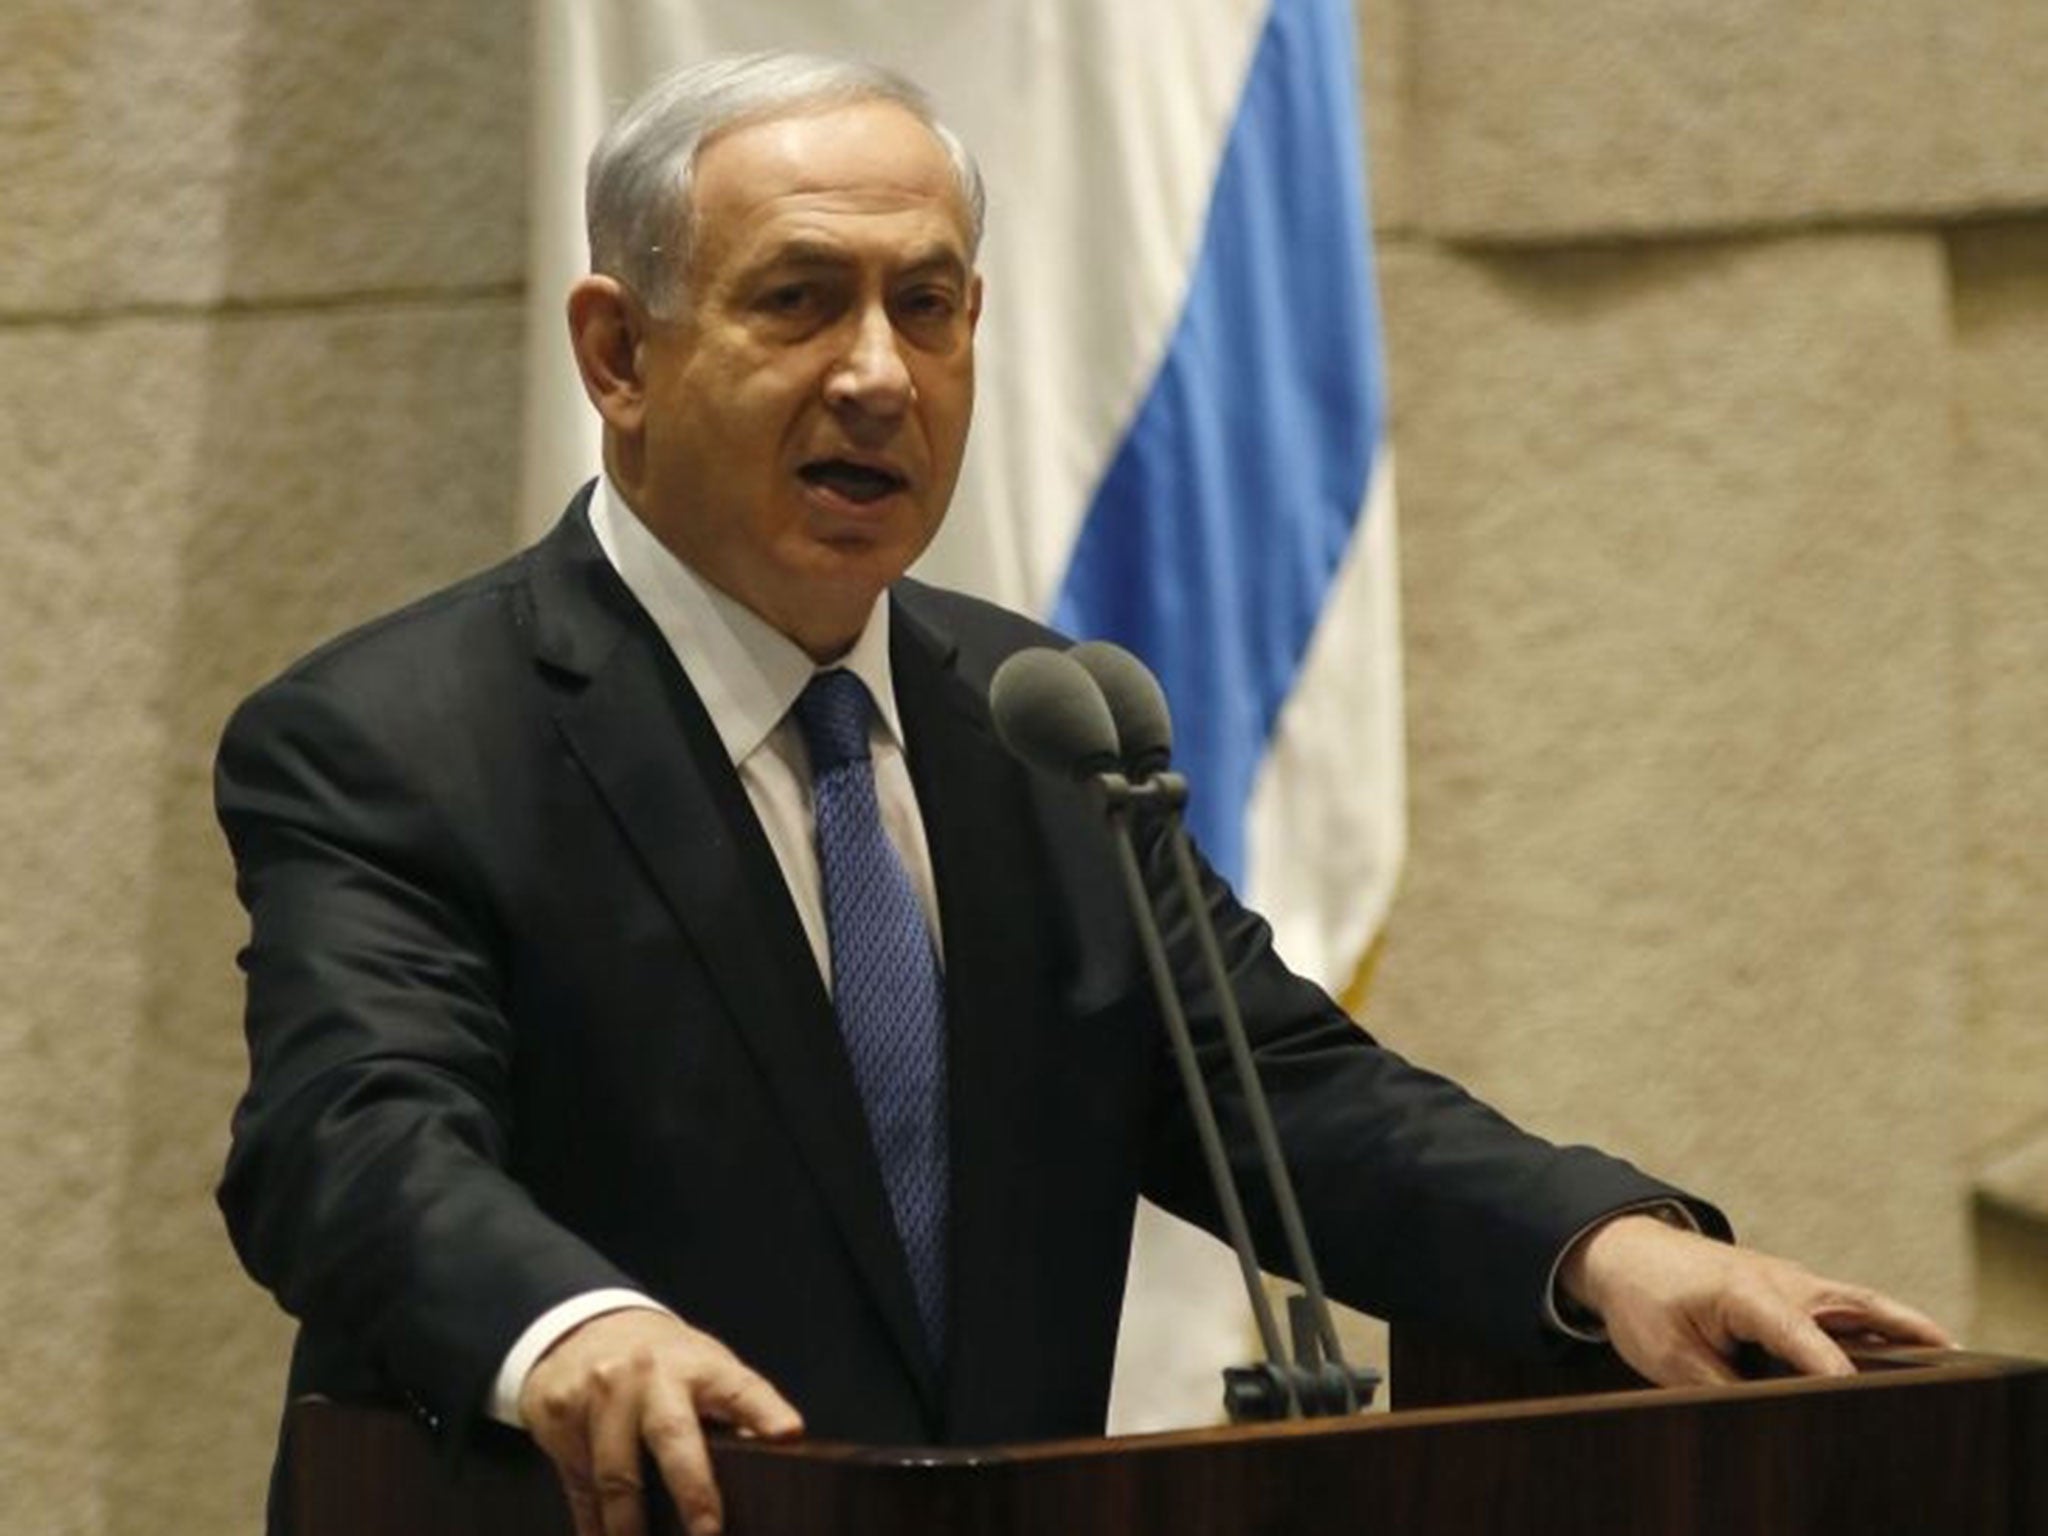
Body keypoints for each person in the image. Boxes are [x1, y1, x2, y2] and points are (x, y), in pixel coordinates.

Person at [215, 51, 1948, 1536]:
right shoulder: (398, 736)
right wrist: (569, 1329)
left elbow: (1276, 1091)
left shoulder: (1035, 720)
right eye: (799, 298)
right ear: (619, 354)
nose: (879, 375)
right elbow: (349, 1142)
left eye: (930, 303)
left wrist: (1612, 1251)